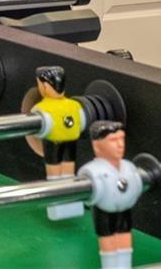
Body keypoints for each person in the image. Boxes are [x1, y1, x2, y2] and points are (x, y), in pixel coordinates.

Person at [77, 120, 142, 268]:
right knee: (108, 239)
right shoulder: (92, 171)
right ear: (97, 146)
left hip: (124, 209)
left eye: (121, 139)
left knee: (125, 236)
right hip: (104, 211)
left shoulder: (129, 167)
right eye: (113, 140)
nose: (120, 145)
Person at [29, 64, 84, 220]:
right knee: (68, 173)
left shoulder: (40, 109)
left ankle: (58, 204)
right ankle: (71, 202)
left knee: (54, 175)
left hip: (53, 144)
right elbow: (81, 121)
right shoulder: (74, 105)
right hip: (70, 143)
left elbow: (32, 124)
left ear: (45, 86)